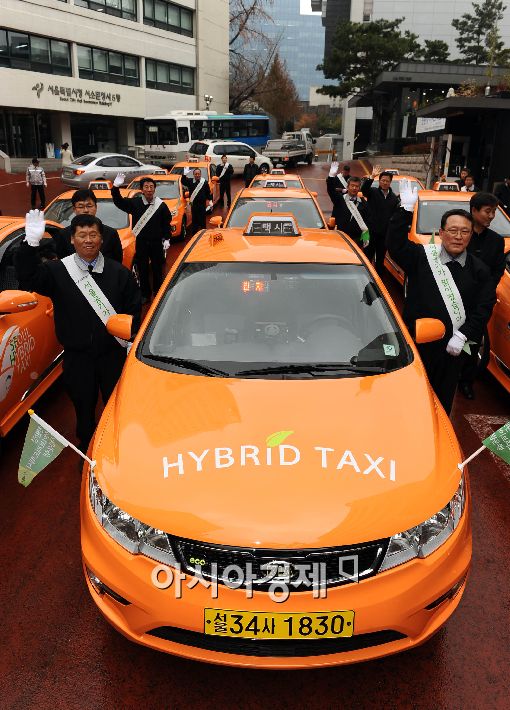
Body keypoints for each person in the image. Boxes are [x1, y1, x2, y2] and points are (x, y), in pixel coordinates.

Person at [15, 211, 141, 455]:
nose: (88, 240)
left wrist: (129, 341)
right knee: (83, 411)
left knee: (117, 408)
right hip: (77, 358)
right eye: (82, 235)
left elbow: (133, 310)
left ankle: (116, 452)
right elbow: (28, 277)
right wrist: (30, 245)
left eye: (93, 234)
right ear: (72, 239)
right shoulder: (57, 271)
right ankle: (87, 454)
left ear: (101, 239)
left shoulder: (119, 273)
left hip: (113, 355)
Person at [387, 181, 496, 414]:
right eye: (453, 231)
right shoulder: (421, 256)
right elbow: (395, 245)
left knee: (442, 404)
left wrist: (464, 334)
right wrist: (404, 211)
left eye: (464, 232)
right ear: (442, 232)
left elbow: (484, 307)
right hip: (417, 345)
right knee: (410, 401)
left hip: (452, 349)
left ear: (471, 235)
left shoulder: (480, 270)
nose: (458, 237)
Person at [458, 192, 506, 399]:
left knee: (472, 343)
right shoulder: (460, 235)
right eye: (488, 211)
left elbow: (497, 271)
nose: (491, 216)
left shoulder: (496, 241)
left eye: (494, 212)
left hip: (479, 304)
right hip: (455, 298)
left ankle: (466, 381)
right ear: (474, 210)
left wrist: (485, 291)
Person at [111, 174, 171, 303]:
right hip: (141, 242)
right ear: (142, 189)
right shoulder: (135, 203)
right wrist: (115, 187)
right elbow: (119, 202)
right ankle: (145, 294)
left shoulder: (161, 205)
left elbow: (166, 222)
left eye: (151, 187)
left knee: (157, 269)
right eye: (146, 187)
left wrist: (167, 238)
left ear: (154, 189)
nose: (149, 189)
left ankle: (158, 292)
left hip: (156, 243)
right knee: (142, 269)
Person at [50, 189, 123, 263]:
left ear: (96, 207)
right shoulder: (64, 235)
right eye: (81, 206)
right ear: (74, 209)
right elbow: (62, 262)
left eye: (89, 206)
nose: (86, 210)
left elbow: (117, 263)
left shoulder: (111, 234)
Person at [361, 165, 399, 276]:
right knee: (367, 257)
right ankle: (365, 277)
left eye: (387, 181)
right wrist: (371, 177)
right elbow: (364, 190)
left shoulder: (394, 198)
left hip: (384, 235)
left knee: (380, 260)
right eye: (383, 180)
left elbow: (394, 216)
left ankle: (378, 280)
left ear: (390, 182)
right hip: (369, 233)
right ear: (379, 181)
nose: (385, 183)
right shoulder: (372, 192)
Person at [326, 172, 370, 248]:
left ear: (359, 188)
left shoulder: (363, 203)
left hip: (356, 239)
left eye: (357, 186)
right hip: (340, 237)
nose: (354, 188)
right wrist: (331, 176)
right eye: (352, 185)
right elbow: (331, 190)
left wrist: (366, 238)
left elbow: (367, 221)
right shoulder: (340, 199)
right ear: (347, 186)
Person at [181, 167, 213, 235]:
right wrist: (184, 175)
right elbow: (183, 181)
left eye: (198, 174)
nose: (197, 175)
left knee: (202, 221)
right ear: (193, 175)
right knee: (194, 221)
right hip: (194, 205)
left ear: (200, 174)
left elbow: (208, 192)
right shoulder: (190, 181)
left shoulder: (204, 182)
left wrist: (210, 200)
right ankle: (194, 235)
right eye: (196, 174)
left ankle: (203, 234)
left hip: (202, 205)